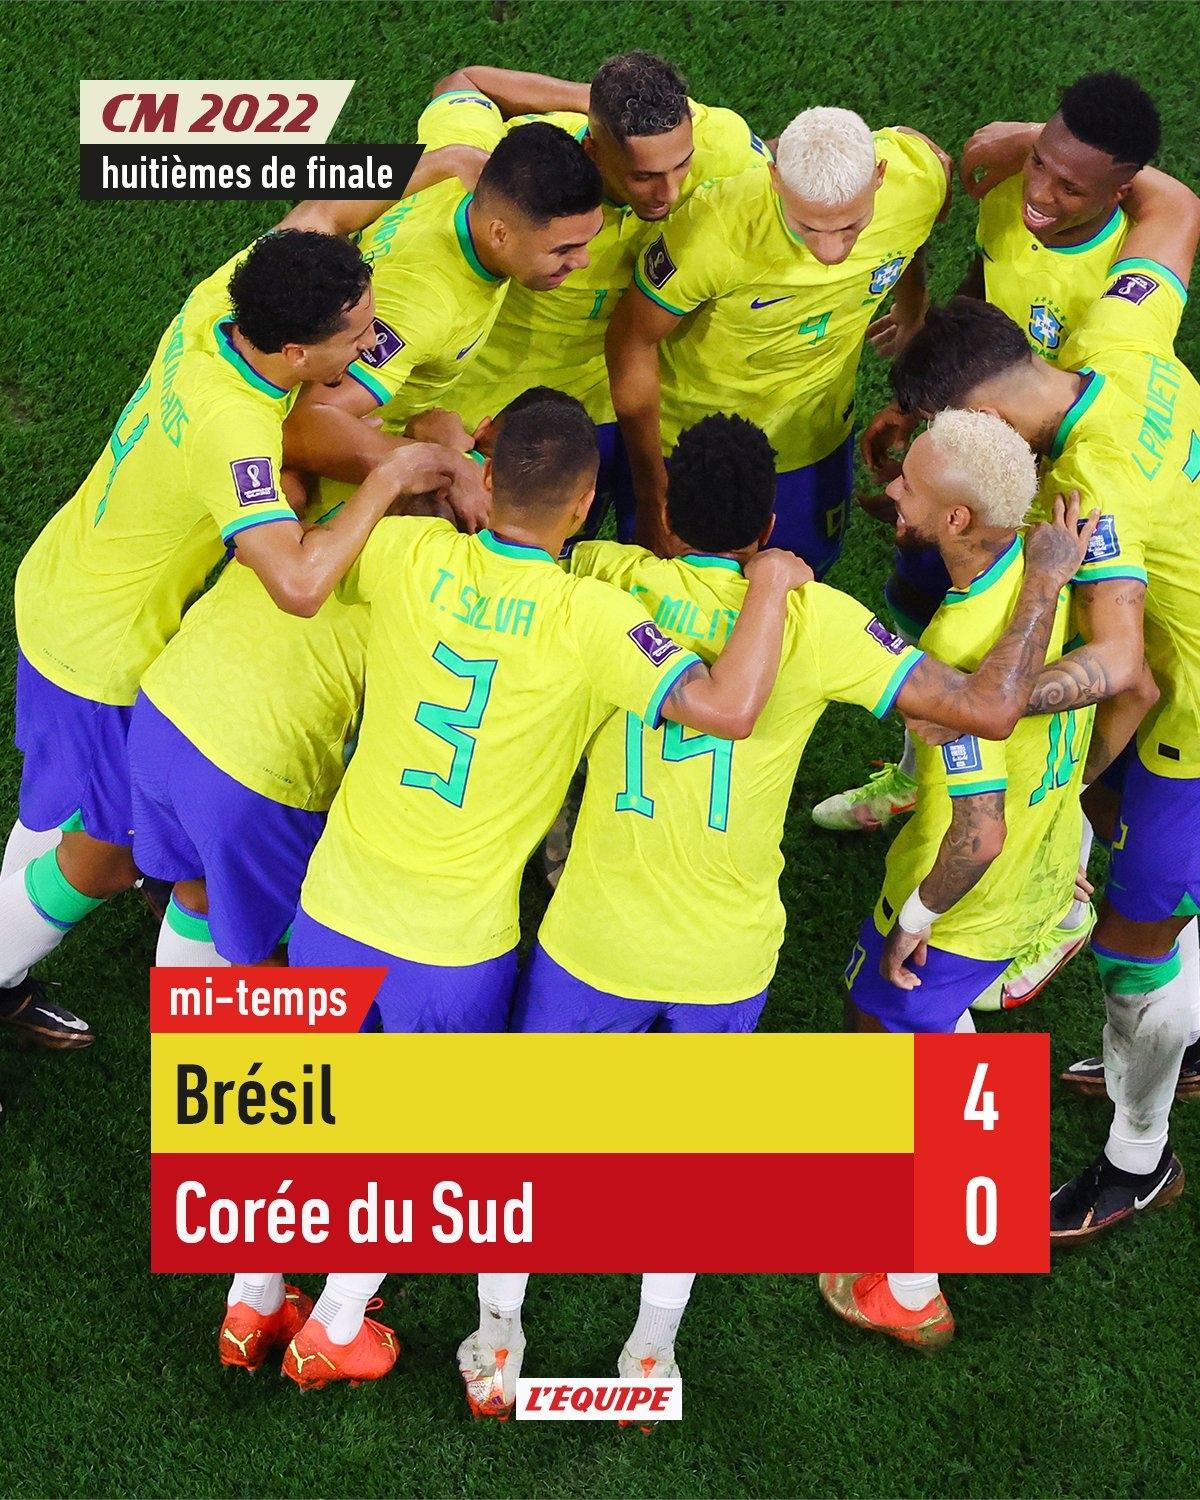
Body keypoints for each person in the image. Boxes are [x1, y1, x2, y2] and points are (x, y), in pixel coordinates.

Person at [454, 410, 1099, 1418]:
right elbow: (986, 708)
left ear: (668, 514)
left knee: (533, 1142)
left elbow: (503, 531)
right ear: (767, 526)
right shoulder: (822, 620)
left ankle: (498, 1344)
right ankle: (652, 1355)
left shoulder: (602, 580)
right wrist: (1048, 582)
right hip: (726, 952)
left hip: (593, 939)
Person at [222, 395, 812, 1388]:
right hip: (454, 942)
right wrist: (771, 584)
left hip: (336, 901)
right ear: (584, 506)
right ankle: (335, 1323)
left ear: (488, 483)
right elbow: (724, 706)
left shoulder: (409, 554)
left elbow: (302, 557)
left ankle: (251, 1297)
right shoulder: (593, 618)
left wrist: (405, 472)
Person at [0, 230, 459, 1042]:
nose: (370, 350)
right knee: (100, 850)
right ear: (295, 352)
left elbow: (319, 209)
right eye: (357, 338)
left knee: (103, 826)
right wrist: (389, 476)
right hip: (101, 650)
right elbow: (297, 584)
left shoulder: (220, 302)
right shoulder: (234, 427)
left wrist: (444, 166)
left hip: (76, 584)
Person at [883, 175, 1200, 1241]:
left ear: (980, 420)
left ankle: (1138, 1161)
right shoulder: (1121, 342)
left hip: (1194, 727)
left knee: (1135, 947)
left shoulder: (1094, 493)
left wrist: (989, 703)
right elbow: (1174, 210)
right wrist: (1029, 146)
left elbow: (1119, 666)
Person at [817, 72, 1165, 832]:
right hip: (988, 453)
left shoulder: (1124, 279)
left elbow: (1123, 670)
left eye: (1069, 185)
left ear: (1121, 189)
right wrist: (920, 406)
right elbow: (981, 303)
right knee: (924, 595)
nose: (1039, 191)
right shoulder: (1009, 194)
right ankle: (915, 776)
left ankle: (1057, 822)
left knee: (1035, 646)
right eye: (1039, 160)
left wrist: (979, 702)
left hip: (1052, 498)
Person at [826, 410, 1105, 1349]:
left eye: (907, 484)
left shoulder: (958, 643)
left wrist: (914, 915)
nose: (890, 492)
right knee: (938, 1040)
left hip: (966, 900)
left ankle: (911, 1290)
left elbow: (976, 835)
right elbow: (1123, 684)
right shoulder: (1057, 561)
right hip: (1043, 871)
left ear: (956, 521)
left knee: (897, 1036)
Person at [412, 49, 770, 536]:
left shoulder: (713, 140)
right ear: (594, 150)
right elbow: (462, 82)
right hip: (489, 418)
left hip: (597, 410)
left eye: (682, 166)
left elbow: (788, 174)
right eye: (643, 177)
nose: (669, 193)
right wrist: (589, 103)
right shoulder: (523, 177)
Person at [606, 105, 951, 568]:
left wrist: (913, 306)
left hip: (814, 439)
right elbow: (631, 340)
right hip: (695, 446)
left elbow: (918, 219)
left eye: (851, 226)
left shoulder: (919, 183)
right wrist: (651, 492)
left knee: (800, 582)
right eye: (809, 227)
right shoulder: (713, 230)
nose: (831, 250)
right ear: (774, 180)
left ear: (880, 177)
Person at [282, 123, 604, 491]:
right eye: (563, 249)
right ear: (500, 234)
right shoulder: (423, 302)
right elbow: (303, 424)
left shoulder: (460, 168)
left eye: (586, 241)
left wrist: (449, 157)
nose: (582, 261)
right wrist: (450, 467)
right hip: (339, 481)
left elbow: (459, 95)